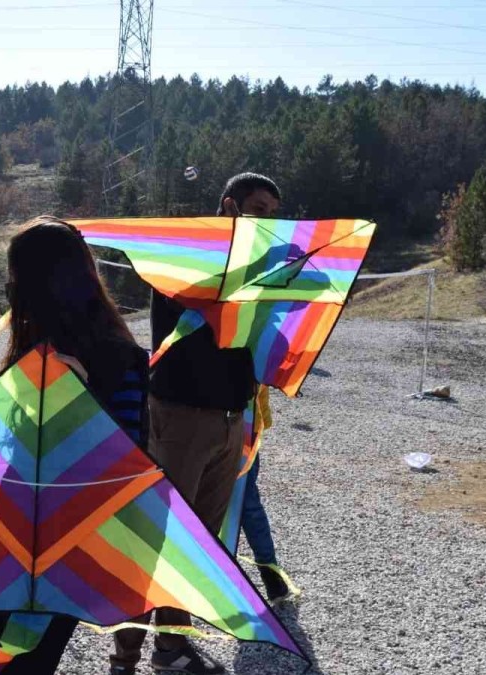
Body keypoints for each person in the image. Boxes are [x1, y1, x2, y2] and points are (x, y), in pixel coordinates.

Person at [0, 217, 149, 675]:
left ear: (42, 284)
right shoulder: (29, 350)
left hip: (67, 548)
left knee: (26, 663)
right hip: (6, 537)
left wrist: (81, 403)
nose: (10, 292)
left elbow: (129, 467)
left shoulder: (121, 357)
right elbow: (11, 451)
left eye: (15, 279)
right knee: (20, 663)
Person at [110, 172, 287, 675]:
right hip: (182, 419)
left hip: (230, 422)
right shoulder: (189, 255)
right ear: (229, 205)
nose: (266, 221)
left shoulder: (258, 267)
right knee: (157, 536)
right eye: (258, 209)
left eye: (273, 214)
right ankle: (123, 656)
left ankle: (171, 648)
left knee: (198, 544)